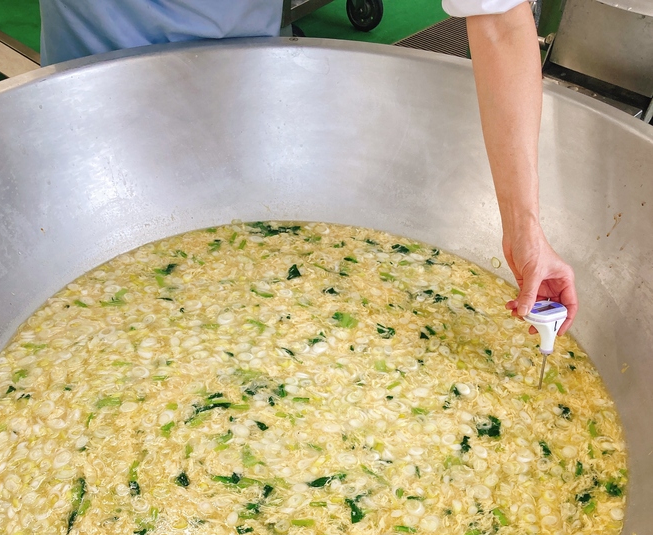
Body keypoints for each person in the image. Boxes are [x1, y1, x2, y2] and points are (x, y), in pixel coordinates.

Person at [39, 0, 578, 333]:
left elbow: (501, 23)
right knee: (117, 241)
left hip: (241, 51)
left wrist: (524, 230)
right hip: (104, 52)